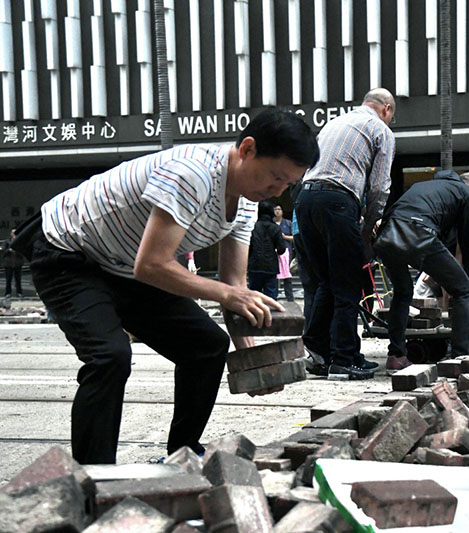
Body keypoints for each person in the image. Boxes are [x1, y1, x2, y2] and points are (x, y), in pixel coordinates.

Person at [14, 107, 319, 464]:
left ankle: (182, 455)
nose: (277, 190)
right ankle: (94, 478)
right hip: (68, 251)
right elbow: (154, 265)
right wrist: (228, 295)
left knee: (207, 345)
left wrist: (251, 360)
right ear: (247, 149)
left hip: (126, 266)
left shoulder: (248, 202)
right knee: (109, 356)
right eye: (274, 178)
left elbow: (234, 284)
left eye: (287, 185)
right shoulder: (194, 174)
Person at [294, 88, 396, 380]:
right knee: (349, 284)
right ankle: (344, 358)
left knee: (326, 280)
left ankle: (317, 352)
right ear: (386, 109)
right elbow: (379, 187)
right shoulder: (380, 130)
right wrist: (368, 228)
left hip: (305, 199)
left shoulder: (335, 123)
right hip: (338, 202)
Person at [374, 170, 469, 370]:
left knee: (403, 292)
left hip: (387, 236)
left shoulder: (424, 187)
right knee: (466, 291)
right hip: (418, 233)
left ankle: (396, 355)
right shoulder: (468, 195)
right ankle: (459, 359)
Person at [248, 201, 286, 298]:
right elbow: (281, 249)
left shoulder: (253, 227)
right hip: (271, 266)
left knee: (254, 296)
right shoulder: (275, 228)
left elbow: (248, 246)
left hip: (254, 265)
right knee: (271, 297)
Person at [273, 204, 295, 301]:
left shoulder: (287, 223)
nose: (277, 211)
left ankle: (290, 298)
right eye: (275, 209)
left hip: (286, 251)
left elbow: (294, 237)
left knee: (287, 275)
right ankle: (274, 297)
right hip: (273, 251)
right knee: (274, 275)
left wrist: (284, 237)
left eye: (279, 209)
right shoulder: (271, 223)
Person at [2, 229, 24, 298]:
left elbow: (22, 252)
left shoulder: (20, 241)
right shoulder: (7, 241)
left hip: (17, 263)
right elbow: (3, 251)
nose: (14, 234)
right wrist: (9, 250)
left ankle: (19, 292)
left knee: (18, 279)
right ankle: (7, 293)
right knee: (8, 279)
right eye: (13, 233)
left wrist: (16, 250)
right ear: (11, 234)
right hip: (9, 263)